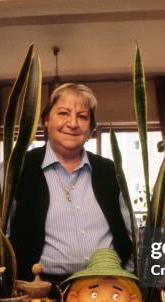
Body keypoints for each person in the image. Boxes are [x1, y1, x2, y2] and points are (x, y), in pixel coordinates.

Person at [10, 84, 132, 282]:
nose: (73, 123)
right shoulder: (18, 168)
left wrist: (128, 279)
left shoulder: (110, 170)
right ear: (46, 121)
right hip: (41, 291)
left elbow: (128, 233)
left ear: (91, 128)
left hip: (108, 287)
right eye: (63, 113)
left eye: (83, 116)